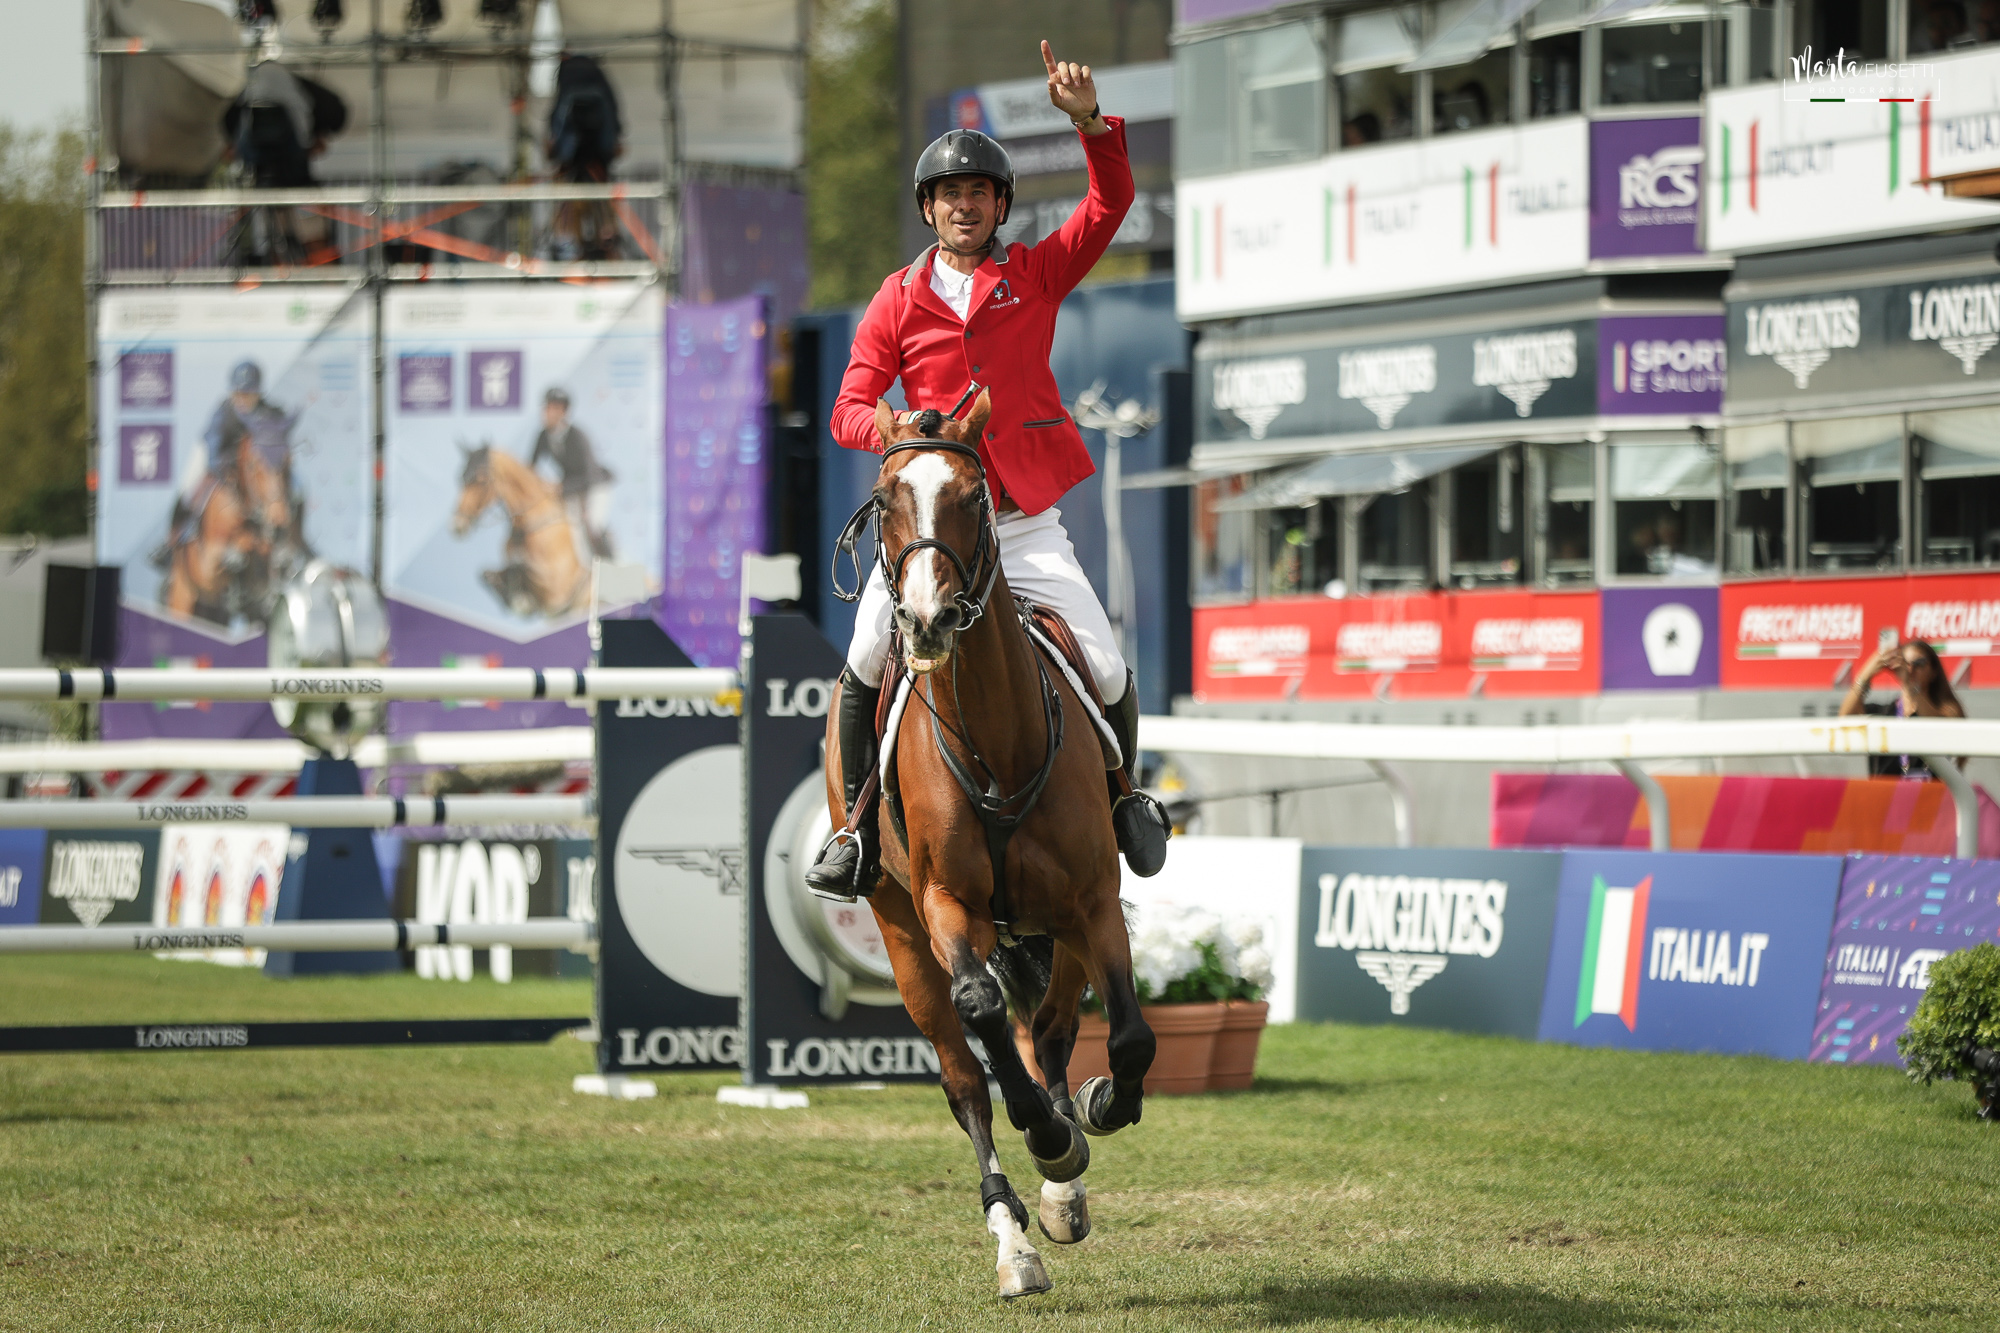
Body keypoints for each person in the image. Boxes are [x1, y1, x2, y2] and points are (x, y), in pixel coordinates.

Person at [804, 39, 1169, 898]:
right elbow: (847, 405)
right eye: (948, 194)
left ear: (999, 204)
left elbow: (1110, 202)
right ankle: (855, 829)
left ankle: (1126, 801)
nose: (964, 206)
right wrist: (892, 430)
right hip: (935, 532)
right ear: (928, 209)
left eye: (978, 193)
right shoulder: (897, 296)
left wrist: (1087, 121)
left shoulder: (1035, 273)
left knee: (1107, 664)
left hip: (1024, 518)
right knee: (863, 659)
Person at [1839, 638, 1966, 778]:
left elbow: (1936, 724)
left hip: (1930, 796)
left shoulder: (1945, 710)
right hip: (1886, 797)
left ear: (1933, 671)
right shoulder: (1884, 712)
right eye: (1905, 664)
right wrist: (1867, 672)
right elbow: (1844, 718)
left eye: (1919, 663)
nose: (1910, 670)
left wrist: (1909, 685)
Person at [529, 387, 616, 560]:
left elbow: (589, 477)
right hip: (571, 488)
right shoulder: (543, 436)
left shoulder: (578, 437)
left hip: (595, 486)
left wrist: (560, 487)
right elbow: (530, 468)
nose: (545, 413)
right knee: (567, 527)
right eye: (545, 408)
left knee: (594, 524)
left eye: (551, 408)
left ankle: (613, 563)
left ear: (562, 411)